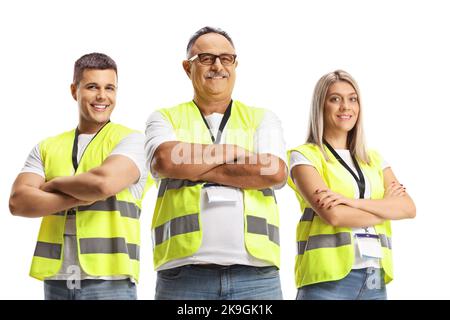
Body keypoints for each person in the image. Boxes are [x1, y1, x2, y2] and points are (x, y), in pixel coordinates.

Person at [145, 26, 287, 300]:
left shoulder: (261, 118)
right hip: (183, 275)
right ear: (188, 68)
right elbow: (164, 159)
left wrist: (193, 166)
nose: (218, 66)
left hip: (256, 275)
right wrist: (234, 151)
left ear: (235, 64)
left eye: (227, 58)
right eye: (207, 58)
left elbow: (273, 170)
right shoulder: (164, 118)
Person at [9, 53, 151, 300]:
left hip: (111, 283)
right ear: (75, 90)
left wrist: (50, 186)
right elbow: (18, 202)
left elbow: (103, 184)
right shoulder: (47, 146)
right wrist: (79, 197)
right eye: (92, 87)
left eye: (110, 88)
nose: (102, 96)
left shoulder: (134, 141)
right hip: (57, 281)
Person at [287, 70, 416, 300]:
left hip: (374, 278)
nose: (346, 106)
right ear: (321, 106)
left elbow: (408, 208)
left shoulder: (373, 159)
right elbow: (335, 216)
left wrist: (350, 202)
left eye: (352, 99)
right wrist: (386, 208)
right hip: (326, 282)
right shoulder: (304, 157)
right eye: (335, 99)